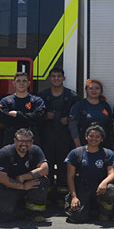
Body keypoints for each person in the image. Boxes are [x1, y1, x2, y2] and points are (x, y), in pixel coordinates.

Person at [0, 128, 49, 223]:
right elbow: (1, 178)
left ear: (32, 141)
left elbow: (45, 169)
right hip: (8, 186)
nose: (24, 144)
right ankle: (17, 209)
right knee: (4, 216)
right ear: (15, 141)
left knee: (41, 181)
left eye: (28, 141)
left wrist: (23, 177)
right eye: (21, 141)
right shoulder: (5, 153)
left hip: (25, 183)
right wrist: (22, 186)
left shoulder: (35, 150)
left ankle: (34, 213)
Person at [37, 68, 78, 202]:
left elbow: (77, 114)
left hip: (65, 137)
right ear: (49, 79)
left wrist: (69, 119)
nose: (56, 79)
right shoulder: (42, 96)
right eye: (53, 76)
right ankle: (46, 198)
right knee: (46, 166)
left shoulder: (72, 96)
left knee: (63, 167)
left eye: (59, 76)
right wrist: (44, 116)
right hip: (47, 136)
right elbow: (35, 115)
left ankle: (62, 199)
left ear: (63, 78)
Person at [64, 124, 114, 223]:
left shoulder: (107, 153)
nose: (94, 139)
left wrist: (104, 183)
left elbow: (112, 173)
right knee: (76, 217)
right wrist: (74, 197)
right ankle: (89, 210)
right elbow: (70, 177)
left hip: (100, 187)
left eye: (98, 137)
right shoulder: (76, 153)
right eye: (91, 136)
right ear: (86, 137)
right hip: (82, 186)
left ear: (102, 139)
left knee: (110, 190)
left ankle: (104, 213)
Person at [0, 72, 46, 145]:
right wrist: (28, 118)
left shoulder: (37, 100)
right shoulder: (6, 101)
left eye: (24, 81)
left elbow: (38, 117)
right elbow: (3, 119)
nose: (21, 83)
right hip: (11, 137)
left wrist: (18, 115)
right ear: (14, 83)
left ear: (29, 83)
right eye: (18, 81)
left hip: (31, 137)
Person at [69, 79, 113, 149]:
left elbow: (110, 126)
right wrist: (78, 146)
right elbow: (72, 126)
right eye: (91, 88)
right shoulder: (79, 105)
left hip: (103, 145)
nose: (94, 91)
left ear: (101, 91)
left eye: (97, 88)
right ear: (86, 90)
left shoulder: (105, 105)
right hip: (84, 145)